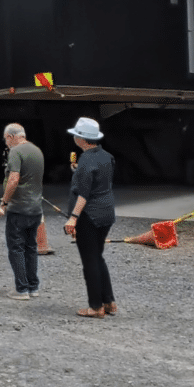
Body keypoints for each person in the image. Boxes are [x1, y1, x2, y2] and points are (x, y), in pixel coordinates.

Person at [63, 117, 118, 319]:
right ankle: (109, 301)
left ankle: (95, 307)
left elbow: (84, 194)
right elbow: (100, 180)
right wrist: (80, 172)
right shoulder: (106, 156)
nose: (75, 137)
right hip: (106, 212)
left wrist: (73, 218)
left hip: (89, 215)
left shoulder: (86, 160)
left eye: (77, 134)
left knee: (90, 261)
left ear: (83, 139)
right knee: (98, 256)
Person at [0, 123, 45, 300]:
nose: (6, 143)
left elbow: (14, 179)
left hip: (19, 209)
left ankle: (21, 289)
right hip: (35, 209)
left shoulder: (16, 152)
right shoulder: (37, 151)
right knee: (31, 247)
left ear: (10, 136)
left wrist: (4, 202)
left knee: (16, 248)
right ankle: (33, 286)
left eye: (6, 139)